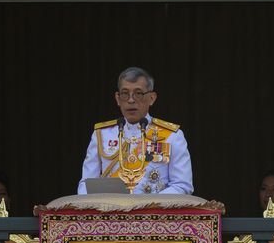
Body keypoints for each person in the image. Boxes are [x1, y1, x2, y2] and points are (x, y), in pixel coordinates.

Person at [77, 66, 193, 195]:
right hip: (111, 212)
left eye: (138, 94)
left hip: (153, 212)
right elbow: (85, 185)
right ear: (117, 98)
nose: (131, 100)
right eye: (125, 93)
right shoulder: (102, 134)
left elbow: (182, 185)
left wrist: (146, 206)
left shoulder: (172, 136)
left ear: (152, 98)